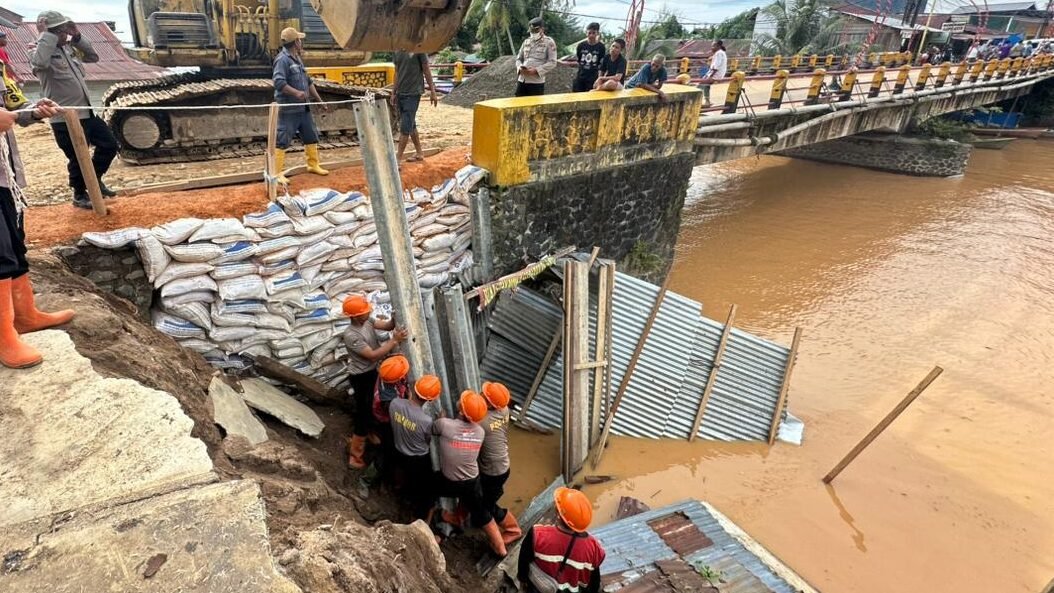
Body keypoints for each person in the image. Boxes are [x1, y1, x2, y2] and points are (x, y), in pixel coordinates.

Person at [0, 96, 75, 369]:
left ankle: (24, 316)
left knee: (14, 247)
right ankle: (4, 338)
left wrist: (31, 111)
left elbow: (8, 110)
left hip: (3, 177)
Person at [29, 11, 118, 210]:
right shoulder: (37, 51)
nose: (63, 34)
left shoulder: (69, 49)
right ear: (48, 32)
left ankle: (93, 181)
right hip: (64, 117)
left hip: (86, 112)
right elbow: (39, 63)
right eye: (58, 30)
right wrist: (46, 35)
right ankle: (79, 193)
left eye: (63, 30)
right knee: (78, 156)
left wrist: (77, 36)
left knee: (110, 145)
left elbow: (93, 57)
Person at [434, 390, 506, 557]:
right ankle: (501, 548)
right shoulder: (480, 432)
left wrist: (440, 419)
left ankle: (424, 523)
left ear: (460, 410)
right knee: (481, 512)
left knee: (427, 489)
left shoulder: (445, 425)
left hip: (449, 481)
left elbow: (433, 429)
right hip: (471, 481)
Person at [341, 294, 408, 469]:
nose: (369, 312)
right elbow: (372, 356)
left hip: (371, 373)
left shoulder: (367, 321)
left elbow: (386, 325)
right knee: (362, 414)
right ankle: (355, 456)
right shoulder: (351, 335)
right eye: (365, 311)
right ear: (355, 316)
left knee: (371, 406)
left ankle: (370, 432)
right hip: (361, 377)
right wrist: (394, 341)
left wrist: (395, 318)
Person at [517, 487, 606, 593]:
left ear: (559, 516)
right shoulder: (593, 548)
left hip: (543, 588)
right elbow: (594, 582)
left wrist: (523, 582)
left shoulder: (537, 535)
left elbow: (523, 564)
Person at [272, 27, 329, 184]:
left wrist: (319, 100)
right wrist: (296, 93)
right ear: (296, 42)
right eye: (300, 40)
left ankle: (313, 165)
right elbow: (278, 82)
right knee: (282, 139)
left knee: (310, 136)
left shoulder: (297, 58)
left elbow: (308, 82)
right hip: (289, 109)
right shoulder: (282, 60)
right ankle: (277, 173)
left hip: (303, 107)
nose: (301, 42)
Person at [389, 374, 442, 520]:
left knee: (402, 473)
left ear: (413, 388)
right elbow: (427, 439)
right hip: (418, 460)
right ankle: (421, 518)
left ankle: (400, 489)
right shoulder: (426, 421)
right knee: (425, 490)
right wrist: (440, 421)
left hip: (398, 450)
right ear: (430, 400)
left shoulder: (394, 403)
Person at [479, 381, 522, 545]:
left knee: (486, 505)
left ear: (490, 404)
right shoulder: (504, 411)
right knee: (480, 496)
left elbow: (464, 411)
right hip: (502, 467)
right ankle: (459, 517)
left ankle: (513, 530)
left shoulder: (481, 422)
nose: (481, 394)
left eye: (485, 395)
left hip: (492, 472)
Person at [360, 354, 411, 492]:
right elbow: (398, 418)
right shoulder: (388, 400)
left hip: (386, 417)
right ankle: (366, 479)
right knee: (386, 452)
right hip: (386, 423)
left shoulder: (387, 371)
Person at [391, 51, 438, 162]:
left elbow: (426, 69)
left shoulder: (419, 49)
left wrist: (433, 91)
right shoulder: (396, 50)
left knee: (405, 126)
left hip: (413, 94)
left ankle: (398, 159)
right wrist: (393, 92)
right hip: (400, 93)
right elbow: (397, 72)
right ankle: (419, 153)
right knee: (411, 124)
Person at [515, 17, 558, 97]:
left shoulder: (549, 42)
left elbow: (552, 62)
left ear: (542, 29)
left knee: (534, 107)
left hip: (536, 82)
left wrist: (536, 70)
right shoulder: (526, 41)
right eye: (532, 31)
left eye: (535, 30)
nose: (533, 33)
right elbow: (519, 59)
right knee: (518, 106)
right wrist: (519, 67)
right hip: (522, 80)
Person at [571, 23, 606, 92]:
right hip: (581, 76)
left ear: (597, 33)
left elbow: (601, 63)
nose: (591, 35)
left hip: (593, 77)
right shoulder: (581, 45)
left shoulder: (601, 47)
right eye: (589, 33)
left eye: (594, 33)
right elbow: (579, 59)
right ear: (586, 33)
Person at [699, 39, 727, 108]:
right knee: (705, 85)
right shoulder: (720, 53)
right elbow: (713, 66)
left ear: (718, 46)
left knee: (700, 86)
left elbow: (716, 66)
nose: (712, 48)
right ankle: (707, 101)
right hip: (715, 73)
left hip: (716, 74)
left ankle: (703, 101)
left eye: (714, 46)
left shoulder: (719, 53)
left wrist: (709, 76)